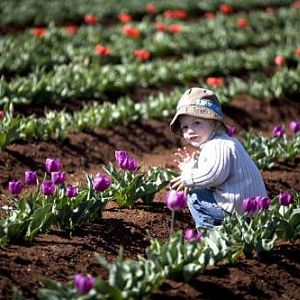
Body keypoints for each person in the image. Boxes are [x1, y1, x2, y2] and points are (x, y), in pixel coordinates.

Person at [170, 87, 268, 229]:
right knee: (204, 190)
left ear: (214, 123)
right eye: (185, 127)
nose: (190, 130)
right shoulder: (224, 141)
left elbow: (213, 175)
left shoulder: (217, 145)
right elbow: (213, 174)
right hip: (252, 208)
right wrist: (192, 167)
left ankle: (210, 236)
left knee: (194, 197)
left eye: (196, 123)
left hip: (238, 209)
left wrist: (187, 177)